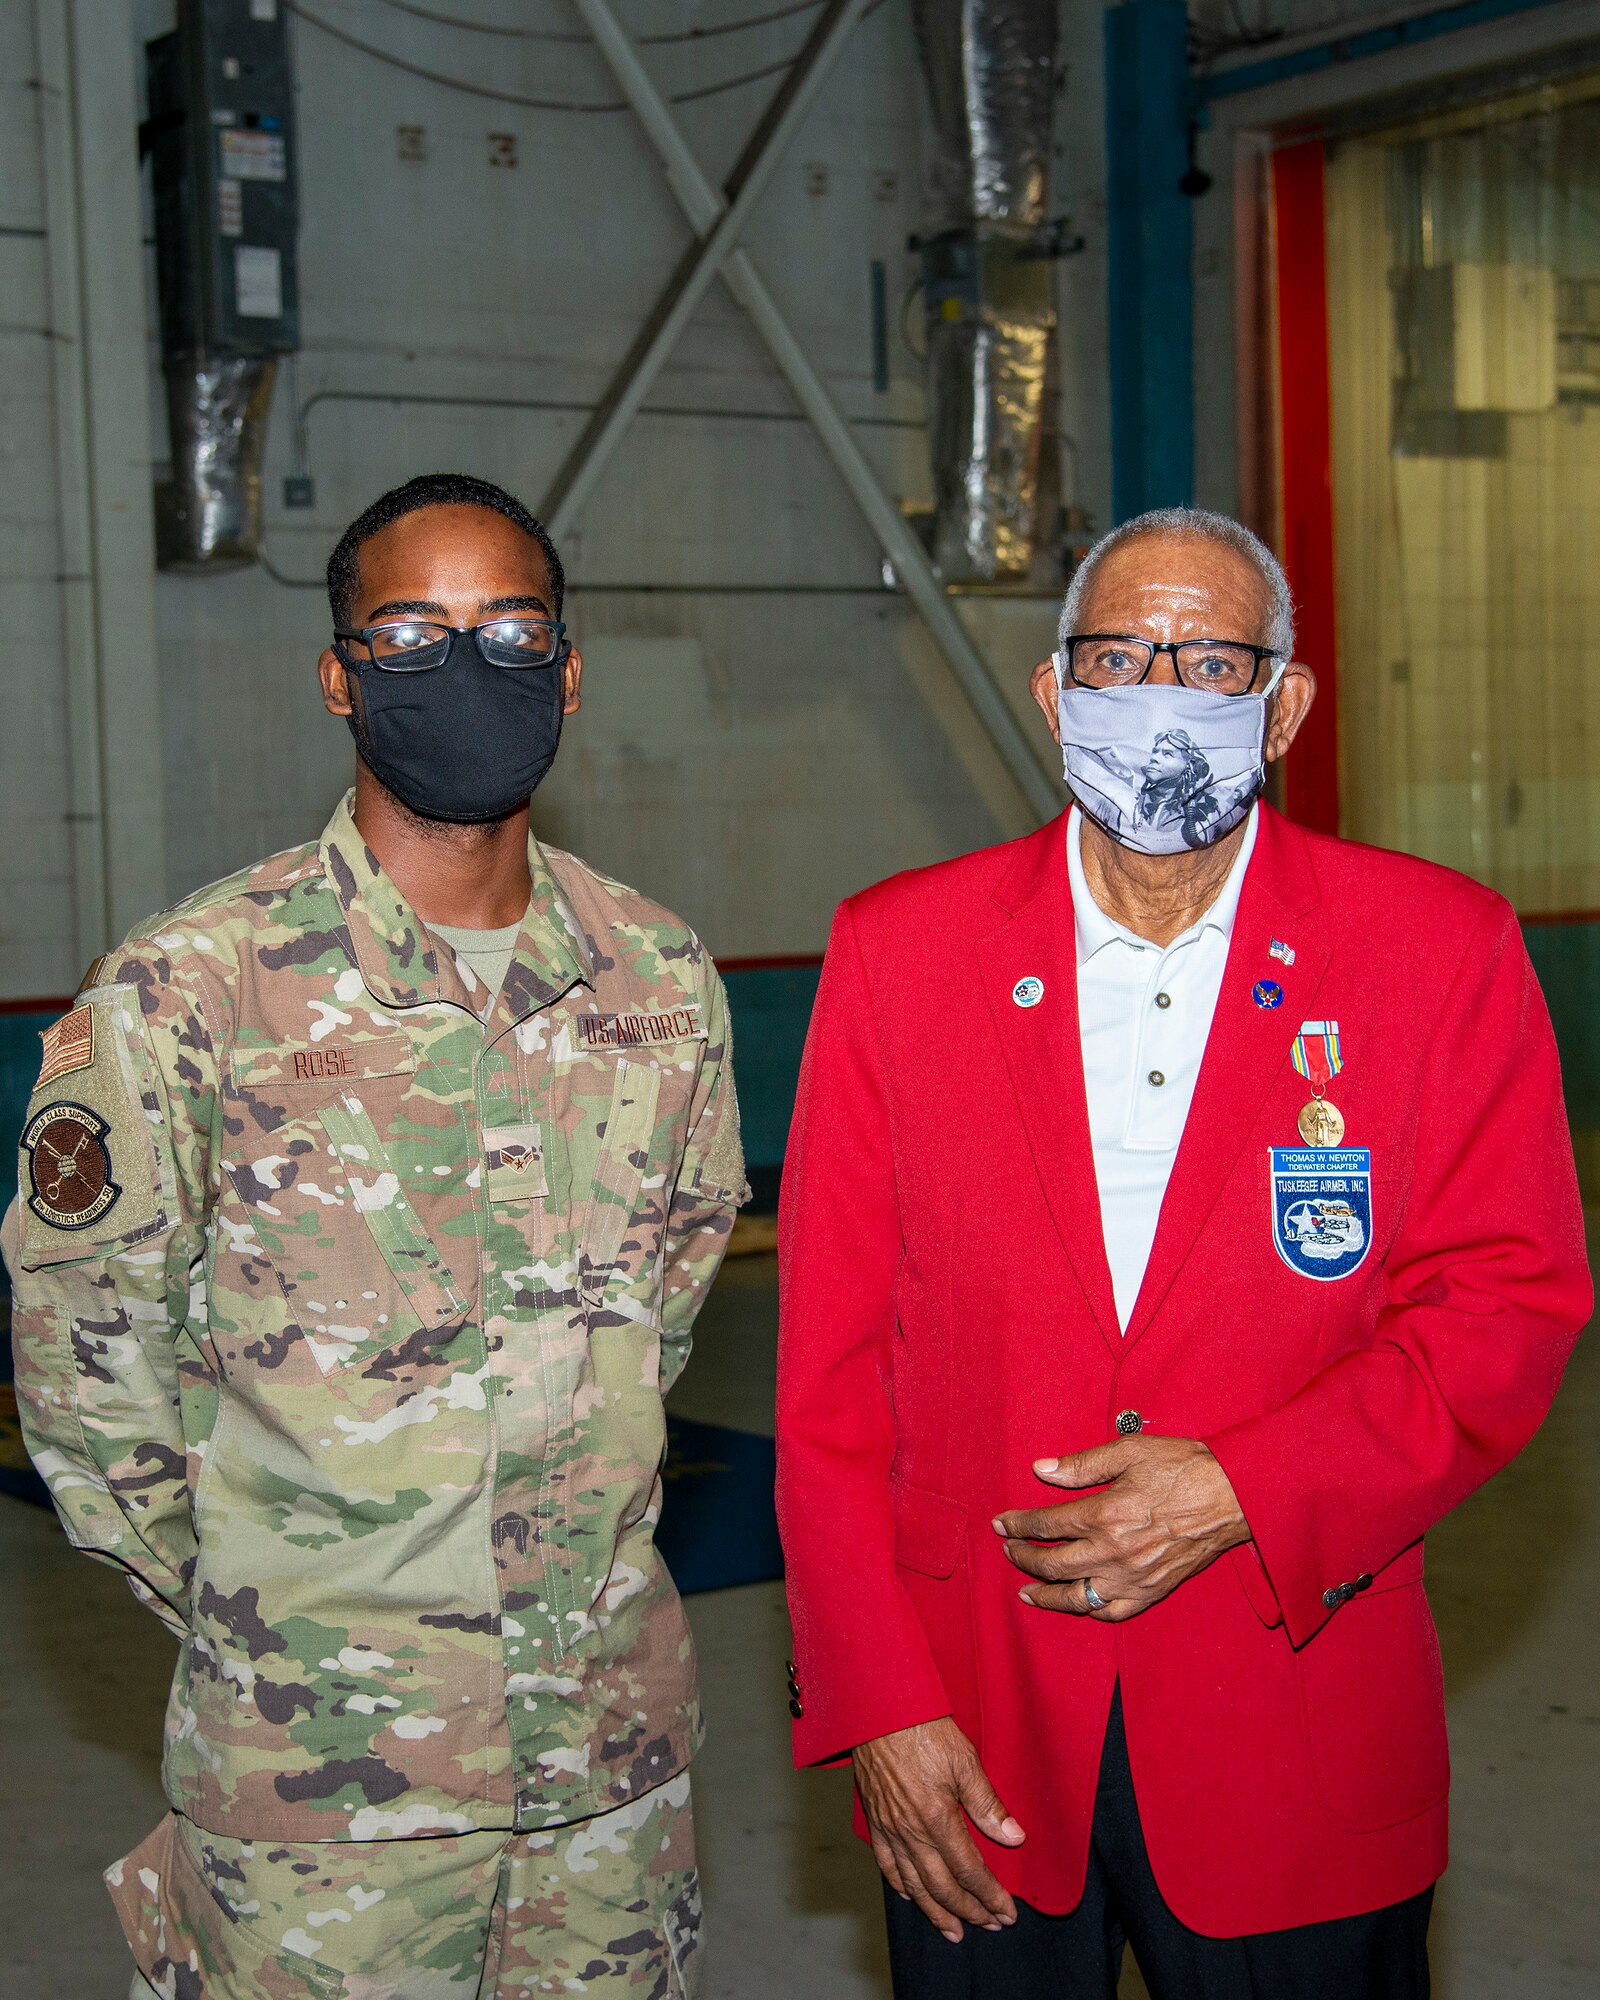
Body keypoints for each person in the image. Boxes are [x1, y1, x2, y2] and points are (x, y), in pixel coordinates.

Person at [775, 506, 1589, 1998]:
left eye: (1212, 661)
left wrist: (1243, 1487)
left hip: (1297, 1728)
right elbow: (830, 1379)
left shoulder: (1437, 950)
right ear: (1052, 693)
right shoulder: (902, 954)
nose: (1161, 689)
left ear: (1283, 704)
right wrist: (881, 1707)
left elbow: (1505, 1302)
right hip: (977, 1743)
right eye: (1117, 655)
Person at [5, 472, 748, 1999]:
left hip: (608, 1767)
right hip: (320, 1796)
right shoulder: (190, 989)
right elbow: (89, 1373)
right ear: (340, 674)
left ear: (569, 668)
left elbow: (661, 1313)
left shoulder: (659, 977)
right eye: (409, 633)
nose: (462, 668)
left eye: (508, 629)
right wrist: (267, 1608)